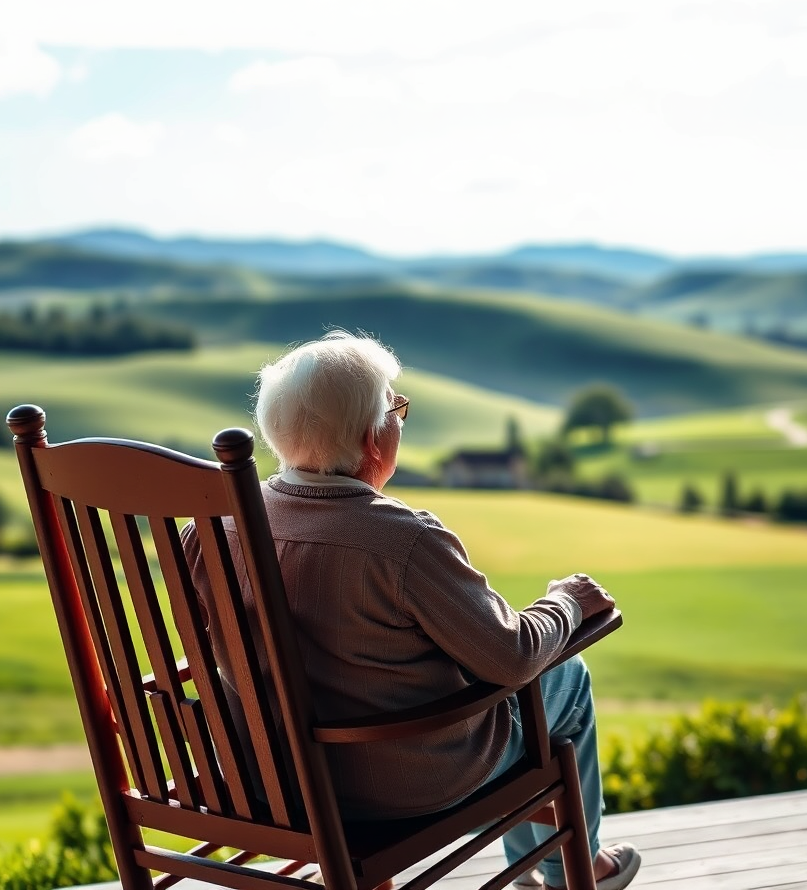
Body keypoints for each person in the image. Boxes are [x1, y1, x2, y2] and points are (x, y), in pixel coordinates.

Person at [183, 331, 640, 890]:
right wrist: (566, 603)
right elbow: (512, 657)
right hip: (397, 781)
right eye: (396, 409)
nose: (400, 420)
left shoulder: (215, 528)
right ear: (371, 437)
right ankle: (570, 870)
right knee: (564, 676)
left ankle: (551, 866)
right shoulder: (402, 540)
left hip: (265, 776)